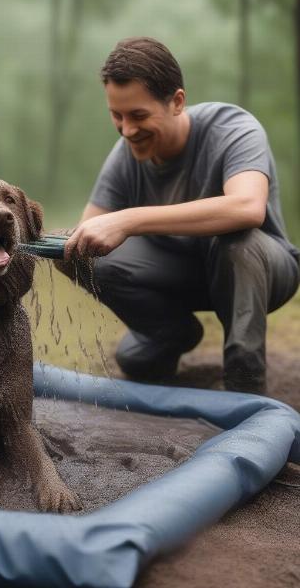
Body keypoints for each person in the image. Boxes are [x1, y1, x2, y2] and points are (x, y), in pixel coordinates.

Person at [57, 36, 299, 393]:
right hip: (178, 276)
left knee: (238, 245)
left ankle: (244, 381)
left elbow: (248, 207)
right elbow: (88, 236)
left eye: (138, 115)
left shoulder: (232, 128)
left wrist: (128, 219)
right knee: (81, 254)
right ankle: (170, 332)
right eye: (116, 115)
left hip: (259, 271)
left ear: (177, 102)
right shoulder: (124, 152)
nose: (127, 130)